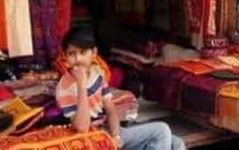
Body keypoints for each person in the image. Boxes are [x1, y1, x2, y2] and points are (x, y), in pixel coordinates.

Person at [56, 27, 186, 150]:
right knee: (161, 130)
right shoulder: (65, 86)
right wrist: (81, 85)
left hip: (107, 131)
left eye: (83, 52)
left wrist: (115, 136)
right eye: (71, 54)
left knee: (176, 143)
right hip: (90, 138)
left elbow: (111, 110)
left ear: (94, 53)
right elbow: (82, 127)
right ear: (66, 57)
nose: (78, 59)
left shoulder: (97, 76)